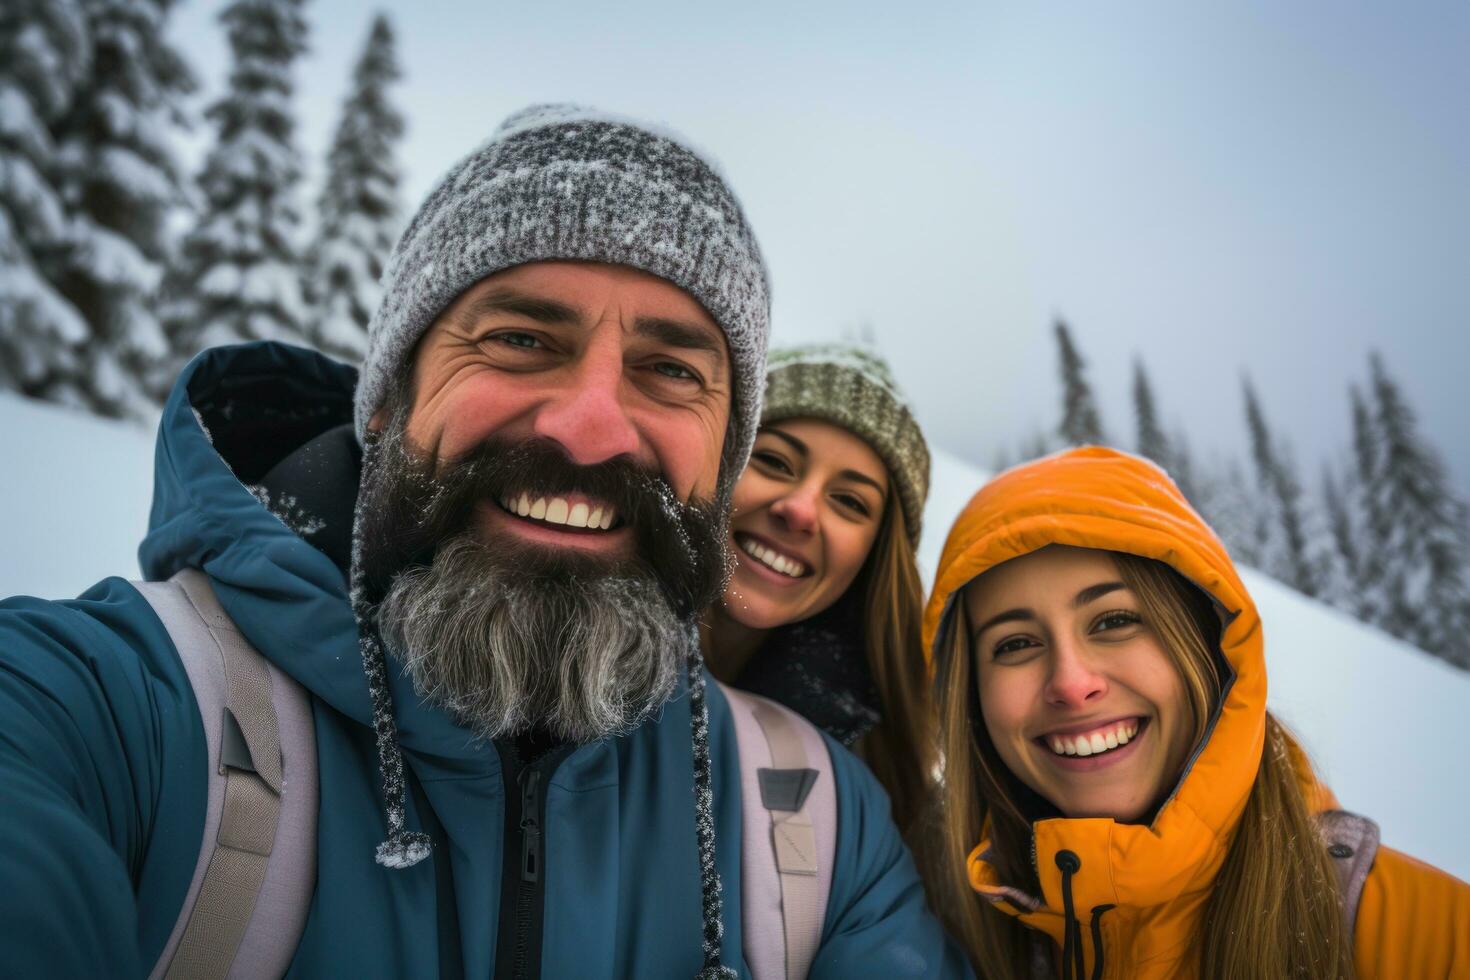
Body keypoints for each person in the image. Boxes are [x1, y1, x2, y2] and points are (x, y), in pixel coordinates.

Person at [0, 105, 967, 978]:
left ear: (720, 459)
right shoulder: (108, 707)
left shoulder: (818, 830)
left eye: (670, 369)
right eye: (519, 340)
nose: (589, 428)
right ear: (384, 401)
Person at [917, 446, 1470, 978]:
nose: (1071, 683)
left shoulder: (1436, 939)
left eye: (1113, 621)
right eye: (1014, 645)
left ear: (1206, 646)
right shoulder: (940, 939)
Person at [701, 343, 933, 833]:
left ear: (875, 557)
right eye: (775, 463)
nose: (801, 510)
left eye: (849, 502)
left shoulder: (872, 784)